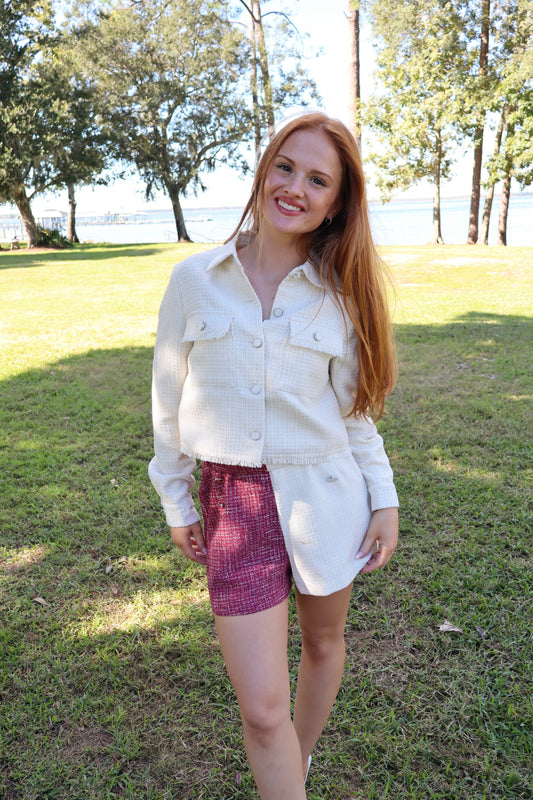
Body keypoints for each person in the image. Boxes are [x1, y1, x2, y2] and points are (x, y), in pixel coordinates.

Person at [149, 112, 399, 799]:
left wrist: (384, 499)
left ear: (336, 203)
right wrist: (175, 498)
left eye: (317, 179)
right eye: (285, 166)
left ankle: (300, 760)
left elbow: (354, 419)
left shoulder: (340, 299)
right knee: (262, 712)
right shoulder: (193, 280)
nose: (295, 187)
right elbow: (166, 404)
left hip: (329, 499)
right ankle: (284, 763)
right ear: (264, 168)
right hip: (235, 505)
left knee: (322, 644)